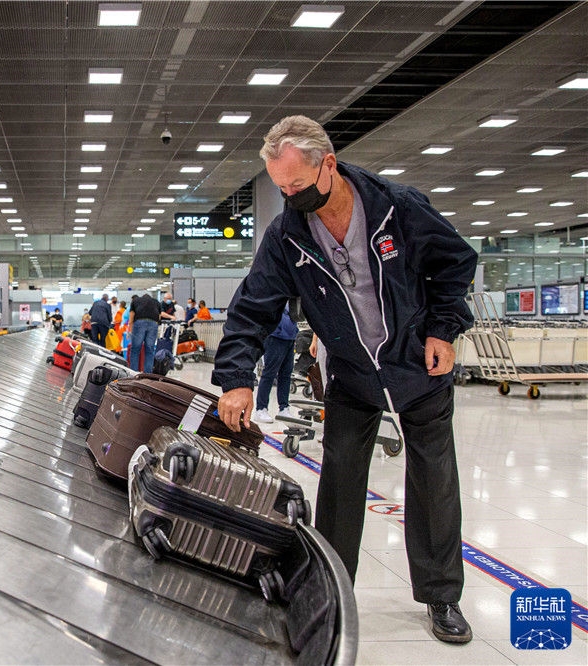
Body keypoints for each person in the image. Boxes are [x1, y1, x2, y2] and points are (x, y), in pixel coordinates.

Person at [212, 115, 478, 645]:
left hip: (417, 366)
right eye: (281, 188)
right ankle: (331, 590)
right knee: (339, 485)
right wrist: (237, 377)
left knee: (434, 483)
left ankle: (442, 596)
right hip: (351, 373)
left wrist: (444, 331)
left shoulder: (397, 207)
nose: (290, 196)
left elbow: (454, 264)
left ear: (327, 165)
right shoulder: (288, 234)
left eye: (297, 185)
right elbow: (253, 308)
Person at [252, 303, 298, 423]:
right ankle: (261, 408)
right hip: (275, 336)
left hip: (290, 337)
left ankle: (284, 407)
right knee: (269, 373)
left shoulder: (291, 294)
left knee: (286, 375)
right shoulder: (276, 291)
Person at [127, 291, 161, 372]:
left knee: (135, 349)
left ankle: (133, 372)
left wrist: (130, 328)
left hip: (139, 322)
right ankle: (148, 374)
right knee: (150, 349)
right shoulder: (156, 301)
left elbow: (132, 315)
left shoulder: (135, 301)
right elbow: (159, 316)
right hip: (153, 323)